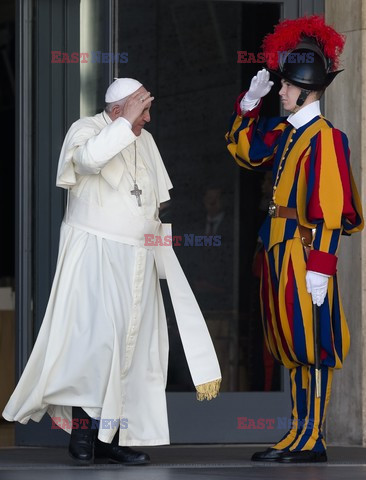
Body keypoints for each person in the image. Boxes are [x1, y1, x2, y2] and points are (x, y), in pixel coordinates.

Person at [3, 78, 221, 465]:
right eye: (142, 110)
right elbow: (88, 161)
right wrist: (126, 123)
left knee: (133, 348)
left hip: (139, 259)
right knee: (97, 346)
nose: (148, 118)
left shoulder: (146, 141)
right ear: (119, 109)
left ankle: (112, 438)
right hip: (96, 256)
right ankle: (84, 438)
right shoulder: (86, 129)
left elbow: (155, 200)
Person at [226, 16, 363, 463]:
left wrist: (322, 267)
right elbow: (247, 152)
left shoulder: (324, 139)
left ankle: (313, 437)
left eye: (285, 86)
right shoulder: (288, 133)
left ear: (306, 90)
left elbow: (327, 208)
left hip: (305, 252)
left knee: (312, 345)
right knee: (290, 344)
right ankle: (298, 432)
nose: (279, 92)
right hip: (280, 247)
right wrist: (250, 102)